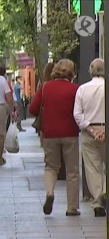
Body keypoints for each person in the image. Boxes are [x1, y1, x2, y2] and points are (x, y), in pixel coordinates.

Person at [29, 59, 80, 216]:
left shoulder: (45, 88)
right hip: (70, 133)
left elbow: (32, 109)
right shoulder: (75, 89)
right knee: (72, 171)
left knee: (51, 167)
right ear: (72, 73)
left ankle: (50, 193)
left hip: (49, 133)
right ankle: (72, 207)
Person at [73, 58, 106, 217]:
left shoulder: (82, 89)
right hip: (105, 129)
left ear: (90, 71)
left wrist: (92, 131)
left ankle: (97, 201)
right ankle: (105, 191)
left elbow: (77, 114)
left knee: (92, 168)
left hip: (88, 132)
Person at [0, 66, 14, 132]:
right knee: (4, 122)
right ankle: (3, 133)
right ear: (4, 73)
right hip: (5, 105)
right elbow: (10, 97)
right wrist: (12, 109)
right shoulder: (6, 83)